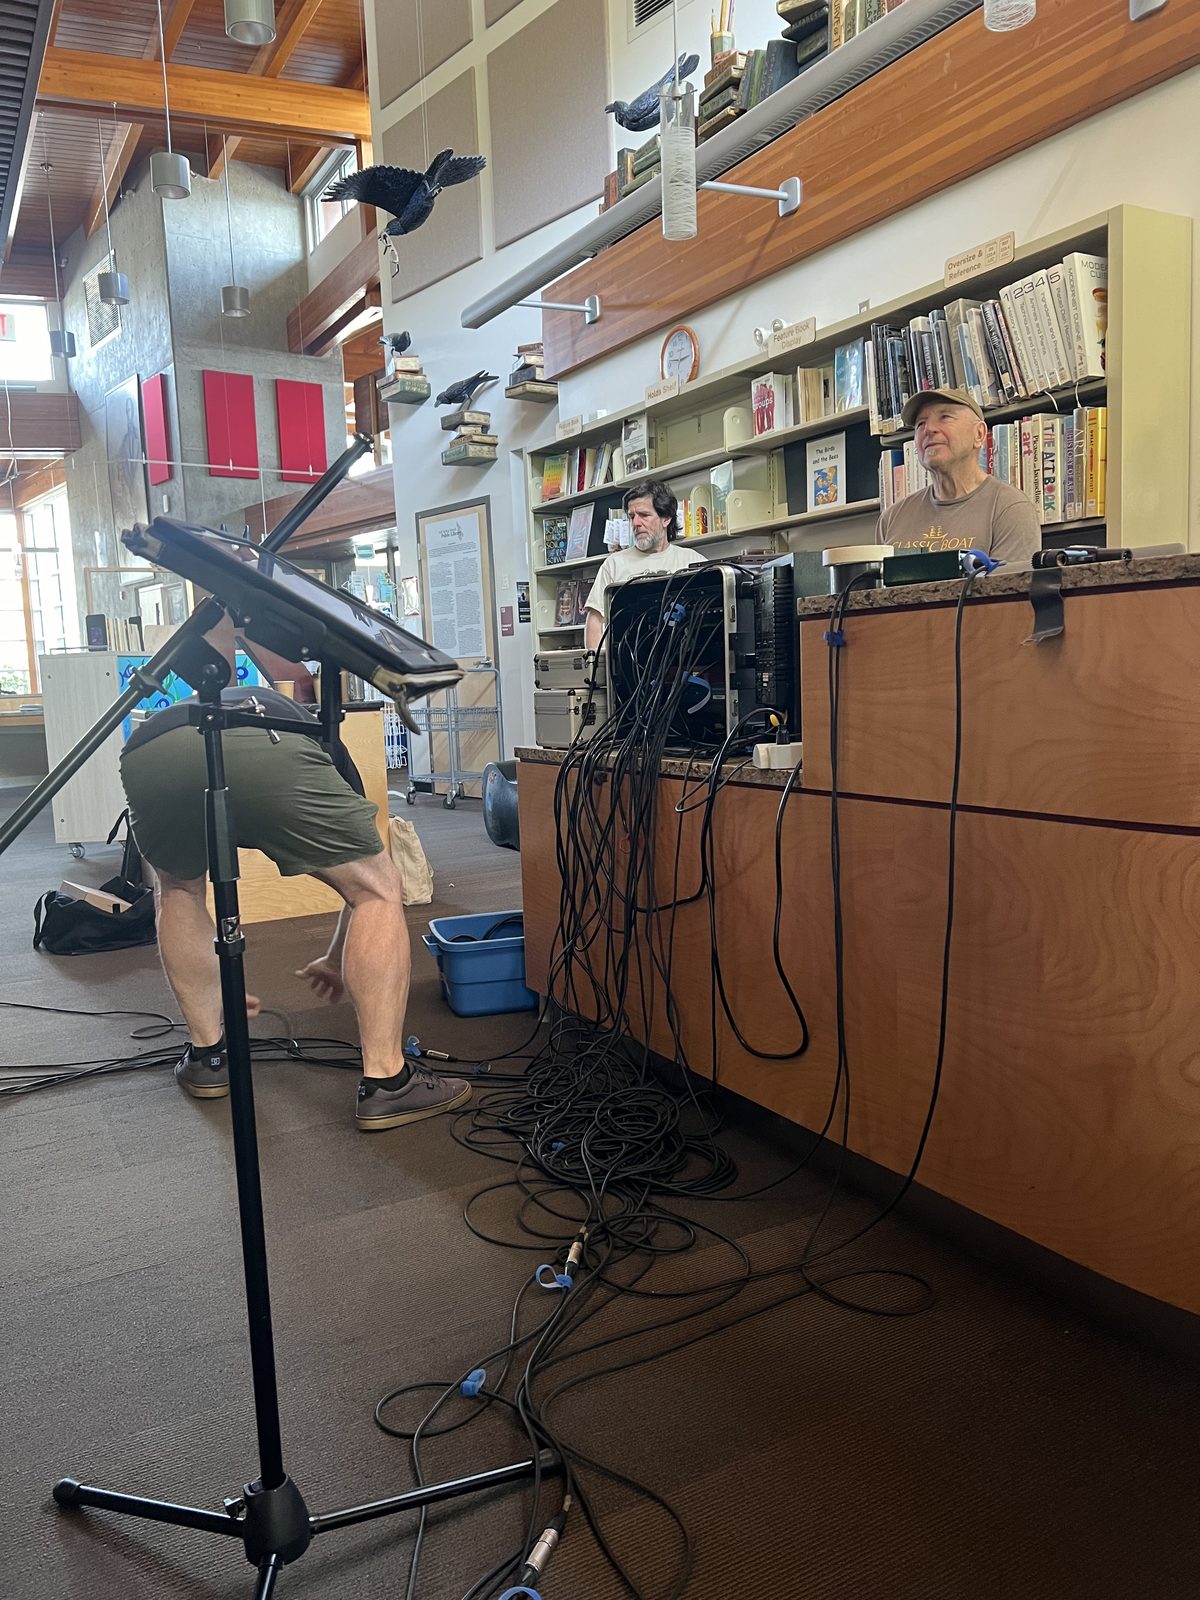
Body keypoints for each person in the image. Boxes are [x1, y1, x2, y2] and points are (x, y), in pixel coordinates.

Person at [118, 615, 470, 1133]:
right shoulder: (318, 739)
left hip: (153, 747)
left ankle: (208, 1055)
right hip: (265, 745)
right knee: (377, 888)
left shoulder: (217, 695)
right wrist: (335, 953)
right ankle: (387, 1082)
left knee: (179, 890)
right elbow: (371, 882)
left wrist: (331, 955)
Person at [877, 386, 1040, 564]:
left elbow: (1010, 589)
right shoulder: (891, 519)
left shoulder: (1010, 509)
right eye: (920, 424)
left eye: (945, 417)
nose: (929, 429)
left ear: (979, 434)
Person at [583, 480, 707, 651]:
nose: (636, 523)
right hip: (628, 666)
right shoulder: (614, 564)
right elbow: (595, 620)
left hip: (682, 666)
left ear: (666, 519)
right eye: (632, 516)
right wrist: (599, 670)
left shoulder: (693, 562)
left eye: (644, 515)